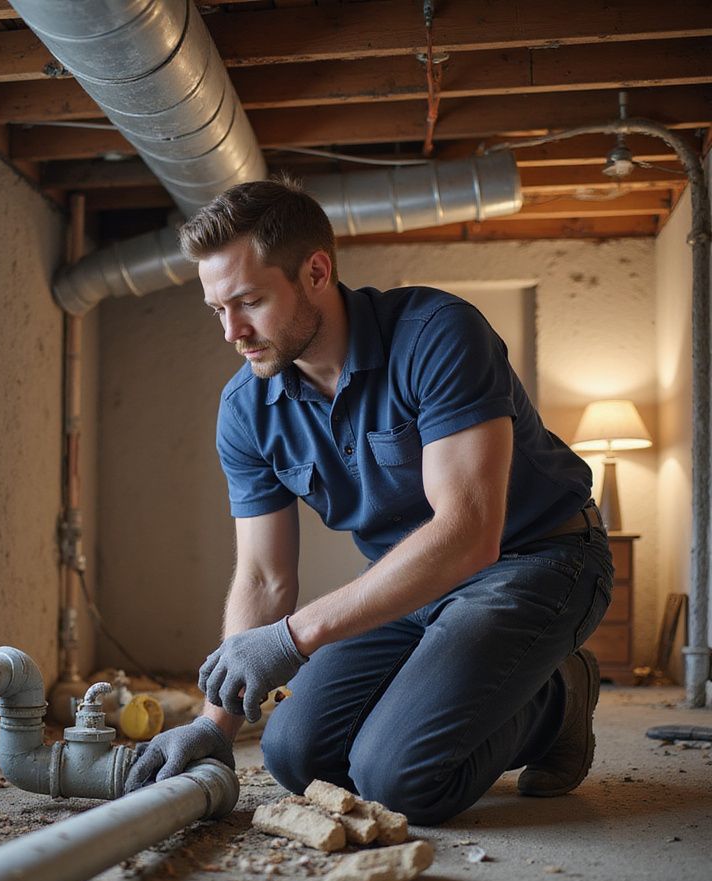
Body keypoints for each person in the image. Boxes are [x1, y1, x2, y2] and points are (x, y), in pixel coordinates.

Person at [125, 178, 614, 825]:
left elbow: (469, 534)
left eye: (249, 302)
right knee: (296, 755)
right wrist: (215, 723)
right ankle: (467, 690)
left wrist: (294, 637)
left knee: (399, 778)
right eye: (218, 309)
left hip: (536, 559)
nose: (232, 331)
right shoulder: (247, 408)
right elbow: (264, 576)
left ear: (316, 272)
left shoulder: (437, 333)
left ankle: (559, 698)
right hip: (409, 582)